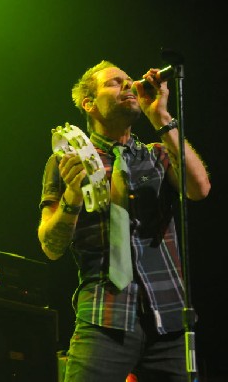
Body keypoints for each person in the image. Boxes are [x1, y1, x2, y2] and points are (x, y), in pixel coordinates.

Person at [38, 61, 211, 381]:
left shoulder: (158, 154)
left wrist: (160, 115)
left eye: (129, 81)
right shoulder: (66, 158)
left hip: (169, 317)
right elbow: (50, 246)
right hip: (104, 316)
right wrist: (72, 197)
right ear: (89, 103)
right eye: (115, 83)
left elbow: (199, 189)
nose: (128, 86)